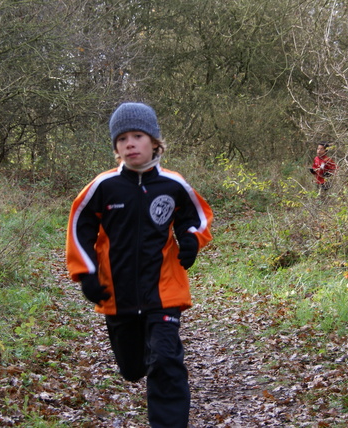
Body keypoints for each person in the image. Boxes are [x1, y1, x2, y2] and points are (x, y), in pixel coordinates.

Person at [65, 102, 213, 428]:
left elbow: (197, 218)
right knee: (133, 368)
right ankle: (138, 360)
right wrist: (86, 272)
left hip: (164, 291)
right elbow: (79, 226)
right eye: (122, 139)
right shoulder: (103, 187)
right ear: (116, 148)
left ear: (155, 143)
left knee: (165, 359)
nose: (130, 143)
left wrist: (190, 239)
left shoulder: (174, 185)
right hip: (117, 294)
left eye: (137, 136)